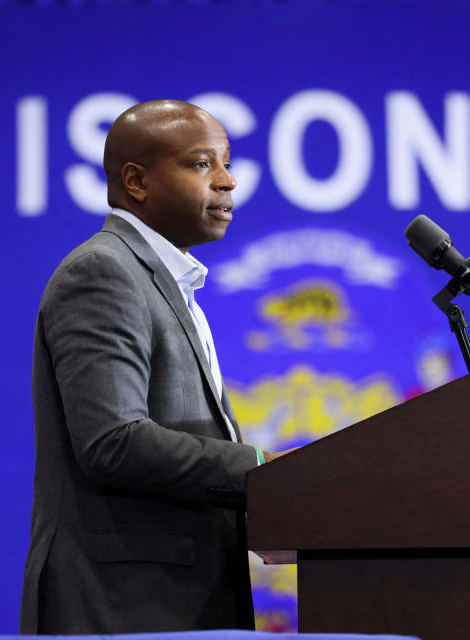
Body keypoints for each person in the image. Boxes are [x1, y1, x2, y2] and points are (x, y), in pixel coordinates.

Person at [19, 100, 286, 634]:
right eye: (201, 164)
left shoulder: (166, 281)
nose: (228, 182)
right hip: (125, 606)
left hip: (178, 598)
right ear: (136, 181)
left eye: (227, 163)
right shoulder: (104, 272)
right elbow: (112, 441)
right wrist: (263, 468)